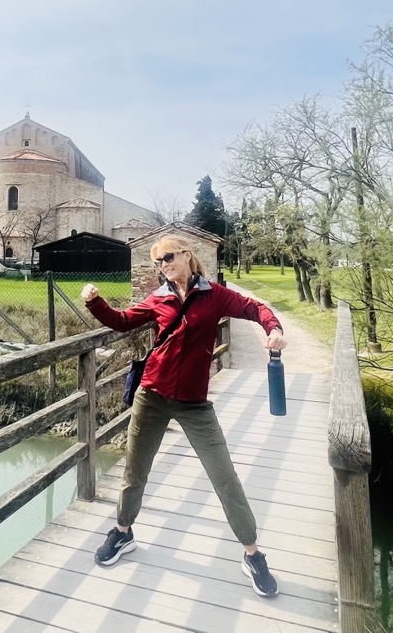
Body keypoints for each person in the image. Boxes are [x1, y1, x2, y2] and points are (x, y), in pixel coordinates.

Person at [81, 235, 286, 598]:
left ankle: (252, 553)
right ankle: (123, 532)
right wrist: (95, 302)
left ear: (188, 256)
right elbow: (122, 321)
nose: (163, 265)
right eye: (158, 261)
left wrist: (274, 329)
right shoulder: (158, 299)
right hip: (152, 396)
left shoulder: (215, 295)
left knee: (225, 477)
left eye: (168, 257)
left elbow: (254, 309)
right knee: (135, 470)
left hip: (194, 403)